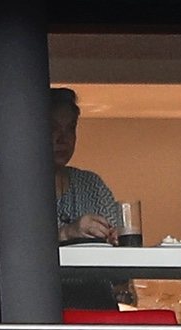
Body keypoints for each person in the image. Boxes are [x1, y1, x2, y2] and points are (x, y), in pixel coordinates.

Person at [51, 87, 119, 244]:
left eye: (70, 128)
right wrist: (67, 233)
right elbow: (13, 245)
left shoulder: (92, 185)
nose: (63, 138)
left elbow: (115, 235)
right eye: (53, 128)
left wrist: (114, 236)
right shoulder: (19, 190)